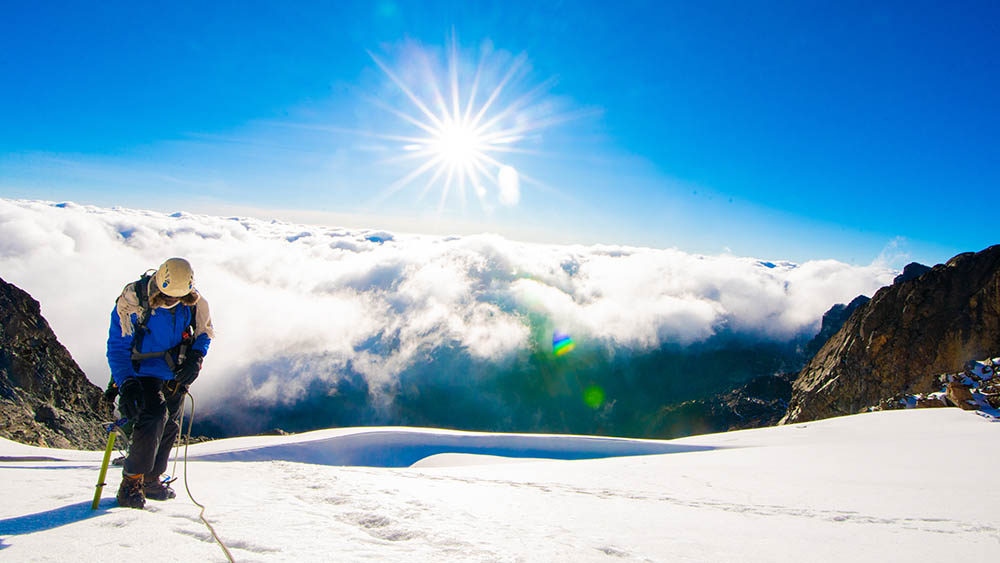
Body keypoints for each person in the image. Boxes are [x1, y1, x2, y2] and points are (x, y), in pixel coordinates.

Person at [106, 257, 214, 509]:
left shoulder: (195, 303)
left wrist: (196, 358)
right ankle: (131, 483)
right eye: (167, 297)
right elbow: (118, 346)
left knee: (170, 425)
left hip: (173, 371)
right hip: (140, 372)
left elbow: (204, 332)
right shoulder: (132, 302)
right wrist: (126, 383)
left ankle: (151, 479)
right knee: (153, 416)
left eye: (176, 298)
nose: (171, 302)